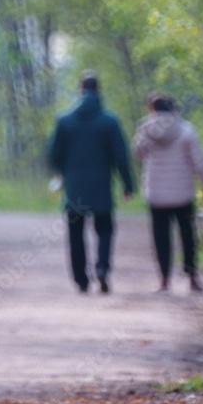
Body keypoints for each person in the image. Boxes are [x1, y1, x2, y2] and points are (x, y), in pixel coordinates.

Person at [48, 70, 135, 294]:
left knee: (75, 233)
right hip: (101, 185)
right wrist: (127, 183)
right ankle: (102, 268)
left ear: (81, 90)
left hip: (74, 186)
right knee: (104, 229)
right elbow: (120, 155)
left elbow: (53, 154)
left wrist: (62, 172)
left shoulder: (64, 120)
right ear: (98, 91)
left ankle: (81, 279)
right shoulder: (109, 121)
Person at [133, 92, 203, 293]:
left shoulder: (145, 128)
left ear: (153, 109)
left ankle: (164, 280)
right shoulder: (186, 130)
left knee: (161, 236)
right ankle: (192, 278)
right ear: (174, 108)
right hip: (183, 193)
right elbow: (200, 163)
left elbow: (137, 152)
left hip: (156, 194)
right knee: (188, 235)